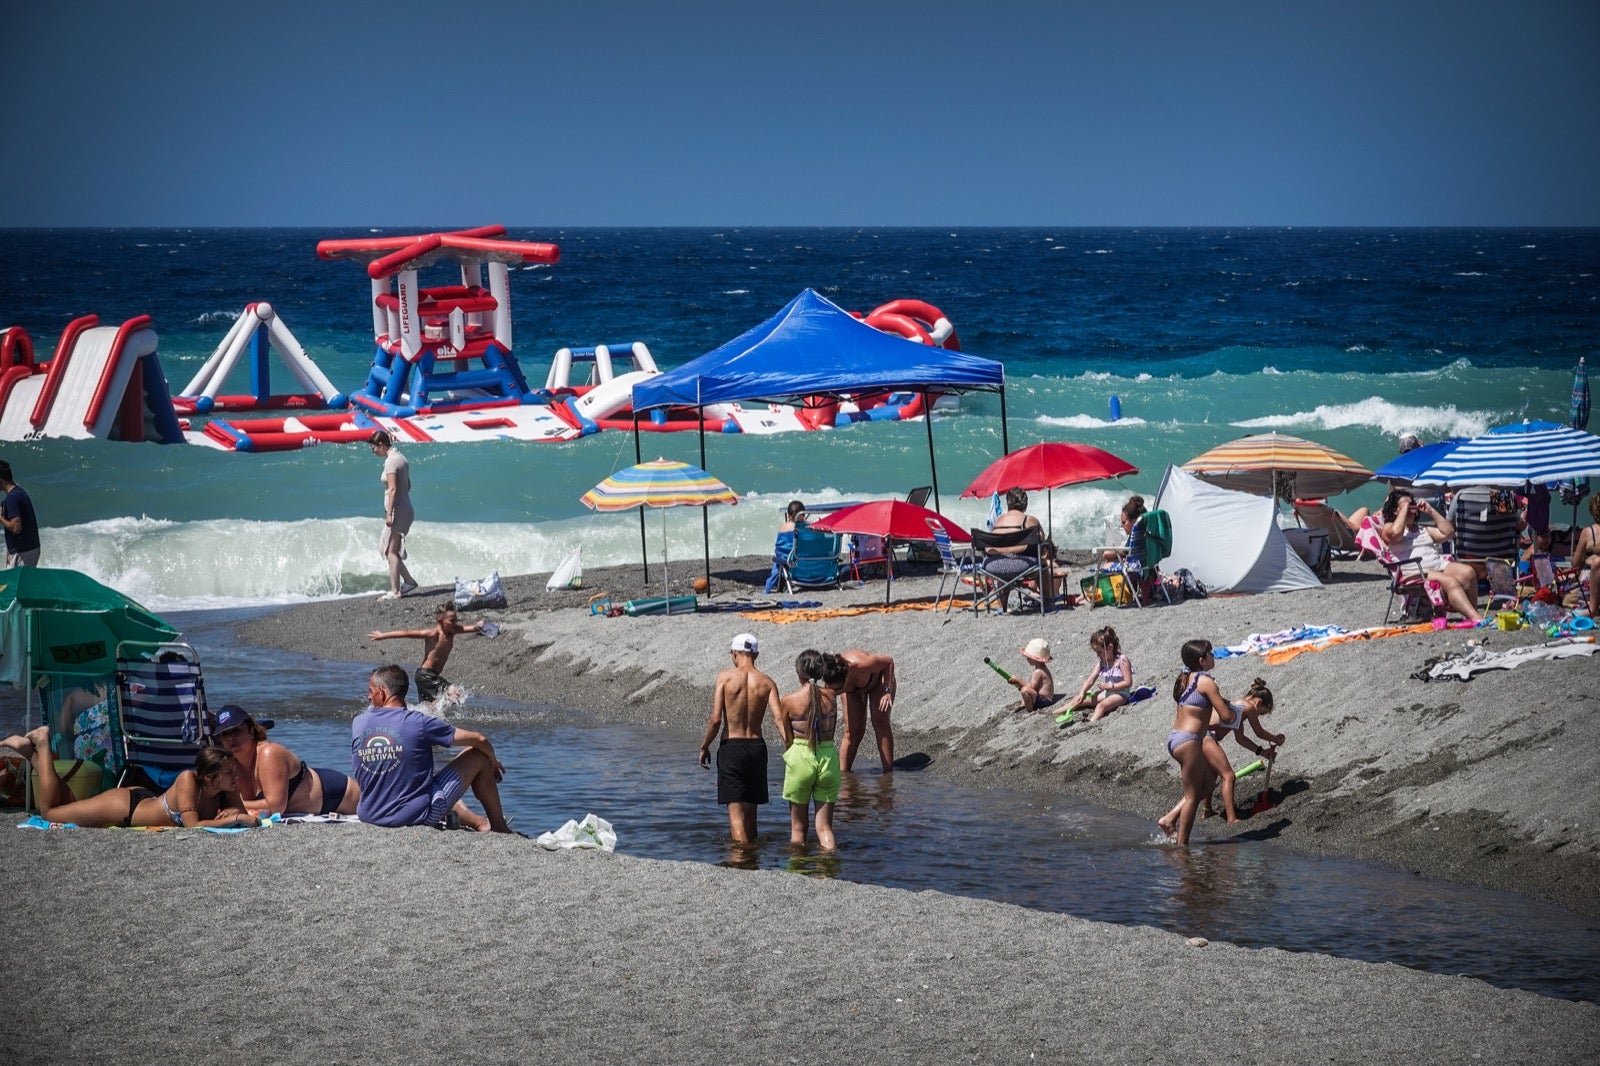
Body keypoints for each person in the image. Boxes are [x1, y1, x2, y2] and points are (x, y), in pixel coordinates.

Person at [352, 664, 510, 832]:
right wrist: (493, 761)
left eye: (371, 691)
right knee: (479, 754)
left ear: (382, 692)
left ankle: (478, 821)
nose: (369, 697)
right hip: (415, 816)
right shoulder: (419, 722)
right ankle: (499, 827)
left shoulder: (359, 722)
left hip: (369, 815)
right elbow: (480, 739)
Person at [1, 727, 256, 829]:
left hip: (143, 800)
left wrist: (235, 813)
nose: (236, 776)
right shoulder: (188, 780)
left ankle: (29, 754)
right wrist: (234, 818)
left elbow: (240, 813)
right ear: (210, 778)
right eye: (229, 773)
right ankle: (43, 743)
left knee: (66, 803)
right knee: (50, 812)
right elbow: (193, 827)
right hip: (125, 807)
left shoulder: (226, 787)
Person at [699, 633, 780, 844]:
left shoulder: (725, 678)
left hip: (732, 748)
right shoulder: (767, 682)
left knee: (736, 817)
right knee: (751, 816)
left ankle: (739, 862)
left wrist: (705, 746)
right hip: (756, 748)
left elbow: (716, 719)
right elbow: (778, 718)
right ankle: (752, 861)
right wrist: (791, 746)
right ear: (756, 654)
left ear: (734, 653)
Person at [210, 705, 360, 817]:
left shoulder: (269, 753)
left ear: (251, 731)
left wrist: (234, 806)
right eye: (225, 734)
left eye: (236, 731)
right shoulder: (231, 764)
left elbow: (275, 806)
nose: (231, 738)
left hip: (339, 795)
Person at [1156, 640, 1237, 845]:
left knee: (1209, 783)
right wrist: (1237, 710)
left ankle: (1170, 818)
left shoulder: (1186, 678)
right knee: (1192, 796)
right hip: (1190, 741)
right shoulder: (1206, 681)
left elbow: (1200, 709)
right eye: (1210, 654)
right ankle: (1182, 847)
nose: (1213, 656)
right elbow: (1226, 716)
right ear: (1202, 660)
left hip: (1176, 738)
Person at [775, 649, 847, 850]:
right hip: (828, 757)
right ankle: (828, 869)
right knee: (825, 828)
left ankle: (798, 870)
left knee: (798, 829)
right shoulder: (831, 696)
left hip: (801, 756)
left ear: (799, 673)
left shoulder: (789, 700)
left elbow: (788, 738)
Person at [1379, 488, 1482, 622]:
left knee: (1468, 572)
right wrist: (1404, 509)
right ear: (1395, 511)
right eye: (1405, 506)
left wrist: (1431, 511)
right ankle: (1477, 618)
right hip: (1415, 572)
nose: (1410, 509)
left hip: (1438, 565)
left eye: (1411, 505)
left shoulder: (1423, 529)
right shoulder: (1389, 527)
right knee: (1449, 581)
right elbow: (1395, 534)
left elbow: (1448, 533)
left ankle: (1472, 615)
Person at [370, 600, 487, 704]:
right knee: (455, 693)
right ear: (439, 619)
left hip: (430, 676)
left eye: (456, 620)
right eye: (451, 620)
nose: (455, 623)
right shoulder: (432, 634)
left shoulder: (453, 631)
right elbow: (405, 633)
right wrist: (382, 636)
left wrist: (480, 625)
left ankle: (411, 712)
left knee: (428, 708)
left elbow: (473, 628)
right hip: (425, 675)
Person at [984, 487, 1056, 609]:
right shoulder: (1029, 520)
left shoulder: (999, 521)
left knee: (1004, 564)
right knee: (1042, 565)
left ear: (1008, 504)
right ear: (1025, 504)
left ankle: (1002, 607)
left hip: (994, 566)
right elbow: (1043, 544)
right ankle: (1048, 602)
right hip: (1021, 565)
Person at [369, 430, 418, 600]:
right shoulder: (402, 458)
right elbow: (407, 485)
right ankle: (409, 581)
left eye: (373, 448)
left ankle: (395, 591)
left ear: (381, 445)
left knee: (391, 552)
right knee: (387, 549)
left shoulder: (391, 462)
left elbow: (393, 489)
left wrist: (389, 513)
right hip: (405, 508)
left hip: (398, 510)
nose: (373, 451)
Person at [838, 648, 897, 772]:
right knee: (852, 732)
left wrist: (887, 691)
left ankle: (888, 774)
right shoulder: (830, 680)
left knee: (880, 722)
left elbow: (888, 661)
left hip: (880, 679)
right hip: (854, 690)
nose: (835, 692)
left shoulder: (860, 664)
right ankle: (843, 777)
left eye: (838, 689)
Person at [1064, 626, 1134, 722]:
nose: (1098, 655)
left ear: (1110, 647)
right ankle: (1056, 712)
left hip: (1121, 694)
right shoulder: (1102, 661)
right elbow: (1091, 679)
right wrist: (1082, 692)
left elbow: (1128, 682)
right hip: (1108, 692)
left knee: (1101, 706)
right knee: (1080, 699)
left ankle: (1091, 722)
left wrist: (1111, 686)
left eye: (1099, 652)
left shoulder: (1122, 660)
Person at [0, 460, 41, 567]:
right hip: (24, 549)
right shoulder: (17, 494)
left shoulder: (12, 498)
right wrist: (9, 553)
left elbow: (16, 528)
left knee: (19, 583)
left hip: (24, 550)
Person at [1005, 637, 1056, 713]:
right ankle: (1024, 703)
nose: (1027, 659)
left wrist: (1017, 681)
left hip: (1044, 700)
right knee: (1025, 687)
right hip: (1044, 698)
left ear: (1035, 659)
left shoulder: (1038, 671)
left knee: (1024, 690)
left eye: (1029, 657)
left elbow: (1032, 687)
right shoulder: (1042, 668)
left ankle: (1029, 710)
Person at [765, 500, 806, 594]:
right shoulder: (809, 528)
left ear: (788, 515)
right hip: (806, 566)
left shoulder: (784, 527)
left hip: (790, 564)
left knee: (778, 560)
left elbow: (779, 549)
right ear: (803, 515)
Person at [1570, 494, 1600, 610]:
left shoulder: (1588, 532)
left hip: (1590, 583)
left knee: (1565, 596)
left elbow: (1576, 563)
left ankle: (1592, 607)